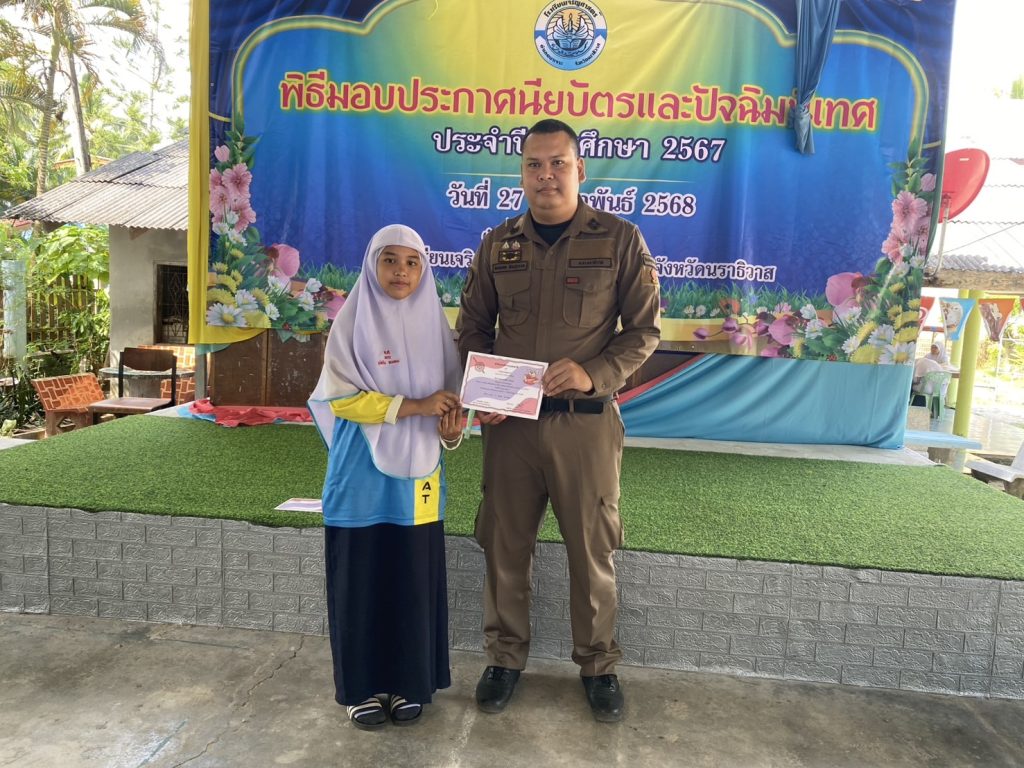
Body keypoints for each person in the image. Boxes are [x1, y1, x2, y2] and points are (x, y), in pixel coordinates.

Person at [456, 118, 661, 723]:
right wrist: (483, 390)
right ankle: (504, 658)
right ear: (521, 173)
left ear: (580, 170)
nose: (546, 175)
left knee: (591, 548)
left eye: (558, 163)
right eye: (534, 165)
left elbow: (644, 332)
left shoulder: (620, 240)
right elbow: (473, 327)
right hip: (512, 429)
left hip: (584, 425)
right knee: (504, 543)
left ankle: (598, 665)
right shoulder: (498, 244)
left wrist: (592, 373)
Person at [308, 224, 464, 730]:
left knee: (412, 580)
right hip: (360, 476)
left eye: (413, 262)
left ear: (425, 270)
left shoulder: (437, 331)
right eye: (390, 260)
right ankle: (360, 689)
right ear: (372, 265)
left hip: (420, 478)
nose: (402, 271)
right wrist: (415, 405)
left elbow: (450, 408)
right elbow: (341, 398)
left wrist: (451, 429)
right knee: (360, 579)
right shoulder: (352, 323)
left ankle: (408, 683)